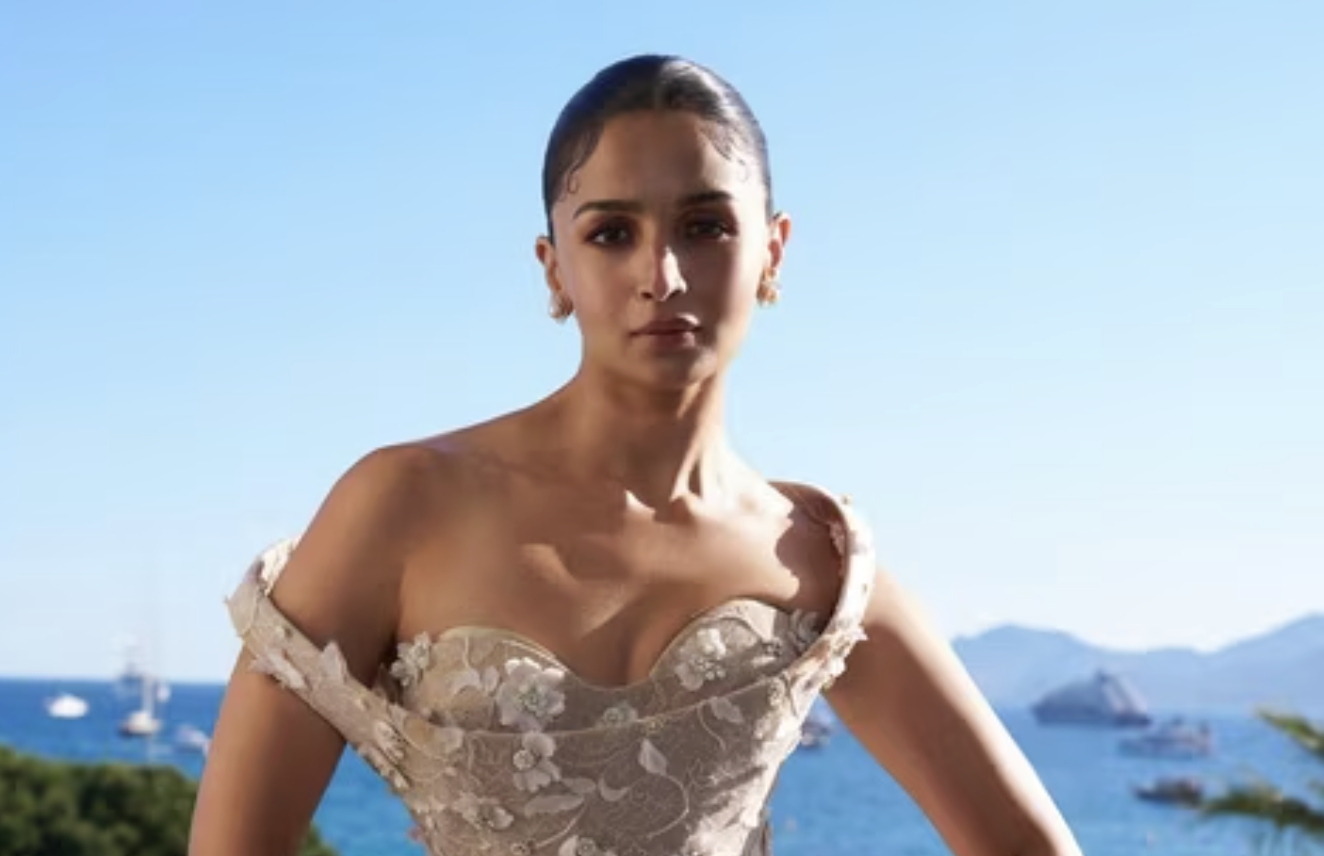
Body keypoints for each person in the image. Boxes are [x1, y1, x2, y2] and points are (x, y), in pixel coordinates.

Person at [190, 54, 1082, 856]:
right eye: (612, 234)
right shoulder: (405, 504)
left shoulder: (819, 558)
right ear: (554, 269)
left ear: (772, 252)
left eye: (707, 226)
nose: (663, 276)